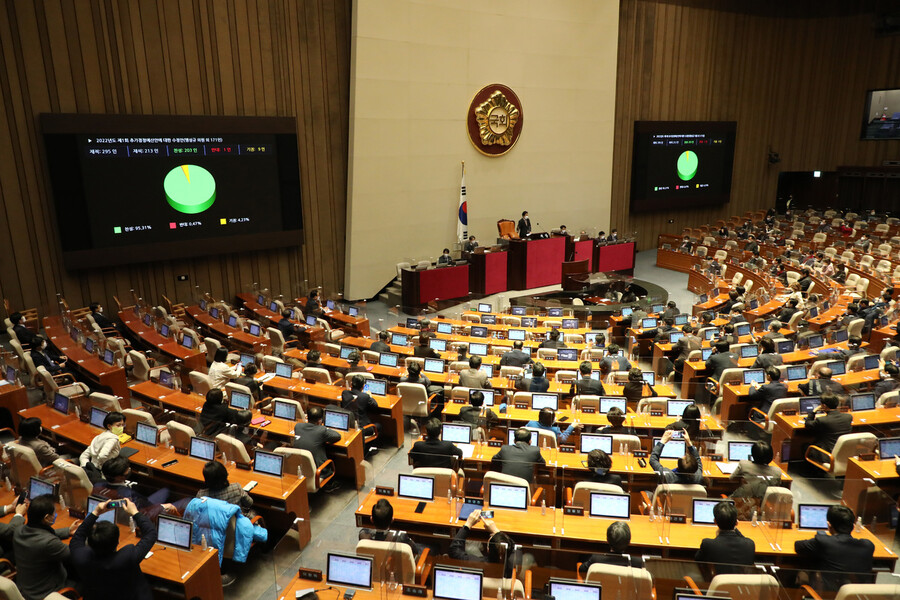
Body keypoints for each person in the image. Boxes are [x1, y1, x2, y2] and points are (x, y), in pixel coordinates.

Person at [70, 497, 157, 600]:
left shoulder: (80, 556)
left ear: (89, 542)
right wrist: (135, 512)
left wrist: (95, 512)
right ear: (117, 542)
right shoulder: (127, 557)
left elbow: (78, 536)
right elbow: (151, 533)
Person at [13, 494, 79, 600]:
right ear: (47, 518)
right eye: (54, 513)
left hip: (25, 589)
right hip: (46, 593)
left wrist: (67, 531)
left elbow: (39, 535)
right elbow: (77, 555)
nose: (56, 514)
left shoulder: (18, 530)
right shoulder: (49, 543)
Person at [794, 505, 874, 590]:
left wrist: (819, 537)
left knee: (804, 569)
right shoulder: (868, 546)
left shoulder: (823, 541)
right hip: (856, 596)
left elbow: (798, 546)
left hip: (827, 596)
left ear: (829, 525)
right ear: (853, 527)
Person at [93, 457, 185, 519]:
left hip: (143, 504)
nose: (129, 470)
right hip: (147, 510)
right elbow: (144, 514)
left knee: (166, 490)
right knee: (186, 501)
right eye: (127, 470)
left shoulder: (97, 485)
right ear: (120, 477)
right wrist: (163, 507)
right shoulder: (128, 495)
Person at [695, 501, 756, 575]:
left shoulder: (707, 544)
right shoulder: (750, 544)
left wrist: (718, 536)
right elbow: (743, 539)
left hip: (716, 584)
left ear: (715, 521)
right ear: (736, 523)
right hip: (741, 585)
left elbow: (697, 560)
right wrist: (736, 530)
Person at [451, 510, 517, 577]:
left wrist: (468, 524)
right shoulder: (514, 563)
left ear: (488, 549)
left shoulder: (476, 563)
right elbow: (513, 545)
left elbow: (454, 550)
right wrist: (496, 531)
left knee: (471, 545)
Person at [730, 441, 782, 519]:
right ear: (771, 456)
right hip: (766, 508)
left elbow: (731, 479)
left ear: (753, 455)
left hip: (744, 505)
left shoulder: (744, 465)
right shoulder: (777, 471)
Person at [293, 407, 341, 489]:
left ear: (307, 417)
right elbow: (337, 436)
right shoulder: (321, 430)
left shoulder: (298, 426)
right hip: (318, 470)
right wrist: (326, 428)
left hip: (300, 467)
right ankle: (330, 485)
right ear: (320, 420)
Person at [341, 375, 382, 445]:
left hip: (348, 426)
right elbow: (375, 406)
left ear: (351, 384)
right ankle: (370, 446)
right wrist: (370, 396)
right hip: (362, 429)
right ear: (363, 386)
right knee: (379, 425)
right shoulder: (365, 396)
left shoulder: (344, 393)